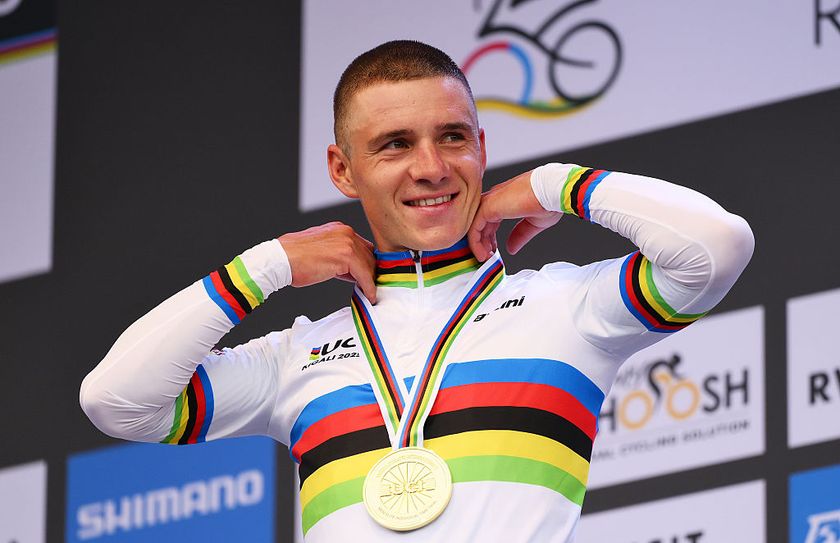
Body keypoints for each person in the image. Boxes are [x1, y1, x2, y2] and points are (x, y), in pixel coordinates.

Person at [80, 40, 754, 542]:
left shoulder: (567, 309)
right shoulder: (298, 356)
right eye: (395, 144)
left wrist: (556, 183)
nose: (431, 168)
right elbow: (117, 401)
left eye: (452, 137)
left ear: (482, 148)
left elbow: (715, 247)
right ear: (343, 169)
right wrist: (266, 266)